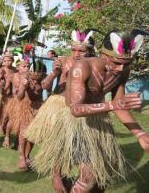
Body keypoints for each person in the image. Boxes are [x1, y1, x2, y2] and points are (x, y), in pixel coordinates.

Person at [32, 29, 149, 192]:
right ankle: (57, 175)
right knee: (88, 178)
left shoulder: (123, 71)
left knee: (100, 184)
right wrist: (112, 106)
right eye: (117, 62)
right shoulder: (82, 67)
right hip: (75, 124)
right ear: (104, 54)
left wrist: (139, 133)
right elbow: (76, 109)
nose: (121, 68)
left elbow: (119, 104)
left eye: (127, 63)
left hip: (98, 124)